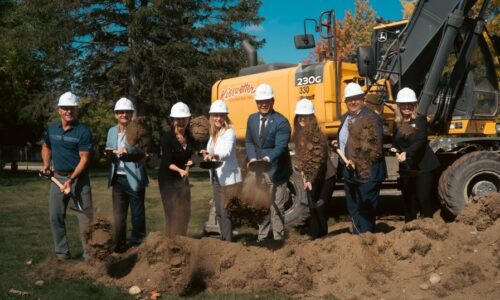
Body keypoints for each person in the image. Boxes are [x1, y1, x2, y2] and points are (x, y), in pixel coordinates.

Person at [40, 92, 93, 260]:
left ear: (76, 110)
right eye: (65, 108)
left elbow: (84, 159)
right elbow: (46, 147)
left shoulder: (83, 131)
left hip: (79, 180)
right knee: (55, 216)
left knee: (85, 217)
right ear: (59, 110)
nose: (68, 111)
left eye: (72, 108)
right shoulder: (52, 129)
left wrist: (71, 180)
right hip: (57, 178)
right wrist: (46, 165)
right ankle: (62, 253)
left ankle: (90, 254)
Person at [332, 82, 387, 234]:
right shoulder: (346, 118)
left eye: (356, 98)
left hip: (367, 172)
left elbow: (375, 146)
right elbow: (349, 138)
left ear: (363, 99)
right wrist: (340, 143)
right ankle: (358, 239)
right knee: (353, 206)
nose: (353, 102)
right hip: (350, 171)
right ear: (346, 102)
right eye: (349, 99)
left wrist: (356, 160)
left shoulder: (371, 118)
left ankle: (367, 240)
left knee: (365, 208)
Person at [245, 83, 293, 242]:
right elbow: (249, 142)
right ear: (256, 102)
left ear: (273, 101)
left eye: (267, 101)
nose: (263, 104)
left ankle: (278, 238)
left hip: (277, 170)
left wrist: (267, 159)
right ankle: (263, 238)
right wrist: (253, 159)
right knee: (263, 204)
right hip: (260, 170)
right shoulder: (251, 119)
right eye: (260, 101)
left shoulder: (281, 121)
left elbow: (280, 146)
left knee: (277, 206)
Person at [105, 97, 149, 252]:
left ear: (131, 114)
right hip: (118, 178)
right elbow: (110, 149)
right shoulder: (111, 131)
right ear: (116, 114)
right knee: (119, 214)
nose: (124, 114)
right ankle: (120, 245)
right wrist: (109, 153)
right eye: (120, 112)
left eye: (127, 112)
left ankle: (138, 244)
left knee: (137, 214)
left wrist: (128, 150)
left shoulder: (139, 129)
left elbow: (142, 150)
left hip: (134, 178)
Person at [390, 88, 440, 222]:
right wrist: (394, 149)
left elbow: (421, 141)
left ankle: (429, 225)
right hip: (407, 167)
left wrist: (406, 152)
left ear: (414, 105)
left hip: (423, 166)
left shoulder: (421, 120)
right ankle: (409, 227)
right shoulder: (397, 123)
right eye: (403, 105)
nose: (406, 107)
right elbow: (395, 141)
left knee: (422, 197)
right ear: (399, 106)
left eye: (409, 104)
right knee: (407, 198)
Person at [293, 99, 335, 239]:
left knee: (319, 206)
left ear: (312, 118)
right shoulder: (299, 135)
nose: (302, 119)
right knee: (312, 205)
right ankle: (315, 236)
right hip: (311, 176)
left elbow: (319, 162)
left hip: (325, 176)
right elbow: (300, 156)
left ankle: (323, 237)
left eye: (306, 116)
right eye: (300, 116)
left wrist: (310, 180)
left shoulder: (317, 136)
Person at [200, 100, 242, 241]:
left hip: (228, 179)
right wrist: (206, 153)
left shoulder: (229, 133)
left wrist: (214, 155)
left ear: (225, 117)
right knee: (218, 211)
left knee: (225, 213)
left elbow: (226, 152)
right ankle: (224, 240)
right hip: (217, 177)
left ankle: (228, 244)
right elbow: (212, 151)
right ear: (211, 117)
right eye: (215, 115)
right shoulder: (213, 134)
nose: (218, 118)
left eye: (221, 115)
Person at [158, 102, 194, 237]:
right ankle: (171, 241)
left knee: (185, 211)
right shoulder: (167, 137)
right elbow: (167, 162)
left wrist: (192, 161)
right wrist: (180, 170)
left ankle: (182, 239)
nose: (181, 122)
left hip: (182, 178)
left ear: (188, 120)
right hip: (168, 179)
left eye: (184, 119)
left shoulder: (190, 136)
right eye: (178, 119)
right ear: (173, 120)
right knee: (172, 211)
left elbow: (193, 153)